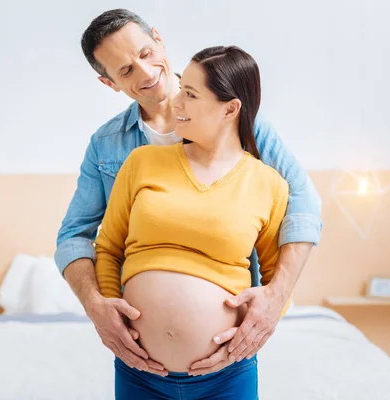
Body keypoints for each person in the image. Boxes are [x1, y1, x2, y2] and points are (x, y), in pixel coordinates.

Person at [55, 8, 322, 378]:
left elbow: (303, 203)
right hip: (141, 366)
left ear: (159, 39)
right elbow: (75, 236)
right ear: (109, 83)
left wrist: (276, 299)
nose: (146, 73)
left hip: (226, 354)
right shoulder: (109, 147)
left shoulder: (238, 120)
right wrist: (95, 305)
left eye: (146, 53)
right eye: (126, 70)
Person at [96, 44, 290, 399]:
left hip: (226, 375)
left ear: (230, 109)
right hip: (139, 371)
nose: (176, 103)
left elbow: (279, 281)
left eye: (190, 94)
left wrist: (244, 339)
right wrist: (113, 314)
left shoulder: (268, 185)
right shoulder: (142, 163)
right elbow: (107, 248)